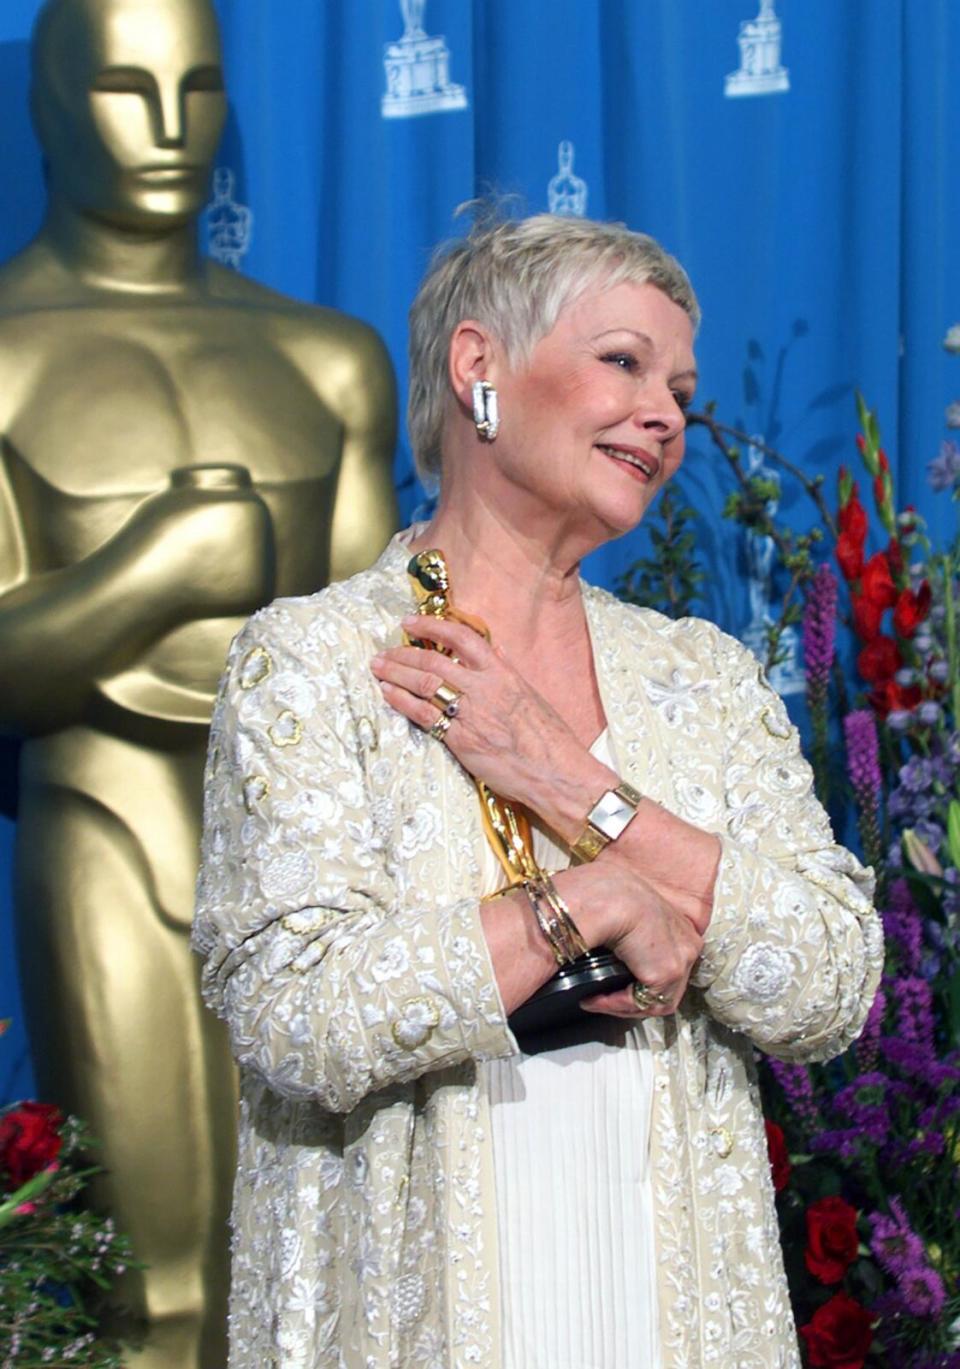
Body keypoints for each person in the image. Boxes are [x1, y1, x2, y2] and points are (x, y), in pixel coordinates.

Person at [194, 214, 882, 1368]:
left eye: (679, 384)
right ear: (479, 369)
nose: (665, 412)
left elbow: (832, 979)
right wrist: (589, 905)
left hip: (671, 1314)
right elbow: (293, 1018)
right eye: (623, 360)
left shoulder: (702, 679)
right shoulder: (314, 662)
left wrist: (574, 782)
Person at [0, 0, 396, 1363]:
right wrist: (152, 575)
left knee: (328, 1271)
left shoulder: (327, 358)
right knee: (158, 1294)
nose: (169, 131)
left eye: (196, 89)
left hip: (307, 854)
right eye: (123, 87)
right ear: (48, 102)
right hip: (104, 815)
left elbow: (368, 677)